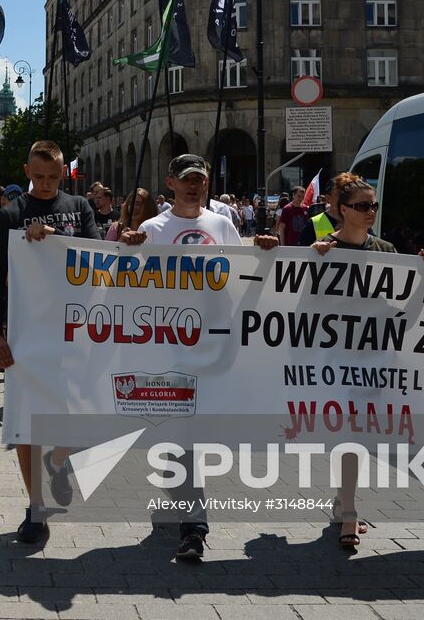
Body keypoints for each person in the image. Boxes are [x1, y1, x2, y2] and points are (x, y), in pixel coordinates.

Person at [120, 155, 280, 560]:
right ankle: (193, 525)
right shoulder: (152, 229)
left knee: (191, 436)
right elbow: (128, 284)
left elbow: (241, 275)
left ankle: (187, 511)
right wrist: (128, 251)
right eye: (187, 179)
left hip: (214, 345)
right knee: (180, 434)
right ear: (170, 183)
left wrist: (262, 250)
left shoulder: (222, 225)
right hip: (167, 347)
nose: (194, 186)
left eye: (201, 180)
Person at [310, 172, 424, 552]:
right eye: (363, 206)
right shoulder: (323, 250)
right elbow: (302, 308)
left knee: (359, 436)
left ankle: (342, 500)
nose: (371, 211)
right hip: (336, 357)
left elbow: (404, 312)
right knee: (348, 434)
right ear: (341, 210)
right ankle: (349, 509)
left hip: (377, 356)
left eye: (374, 205)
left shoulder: (386, 250)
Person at [0, 140, 101, 544]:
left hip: (76, 330)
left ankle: (58, 459)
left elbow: (96, 256)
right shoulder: (11, 215)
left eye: (54, 176)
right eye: (39, 176)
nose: (47, 183)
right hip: (27, 332)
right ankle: (35, 507)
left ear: (63, 172)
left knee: (78, 416)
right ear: (27, 172)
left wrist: (55, 241)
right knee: (27, 421)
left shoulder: (80, 207)